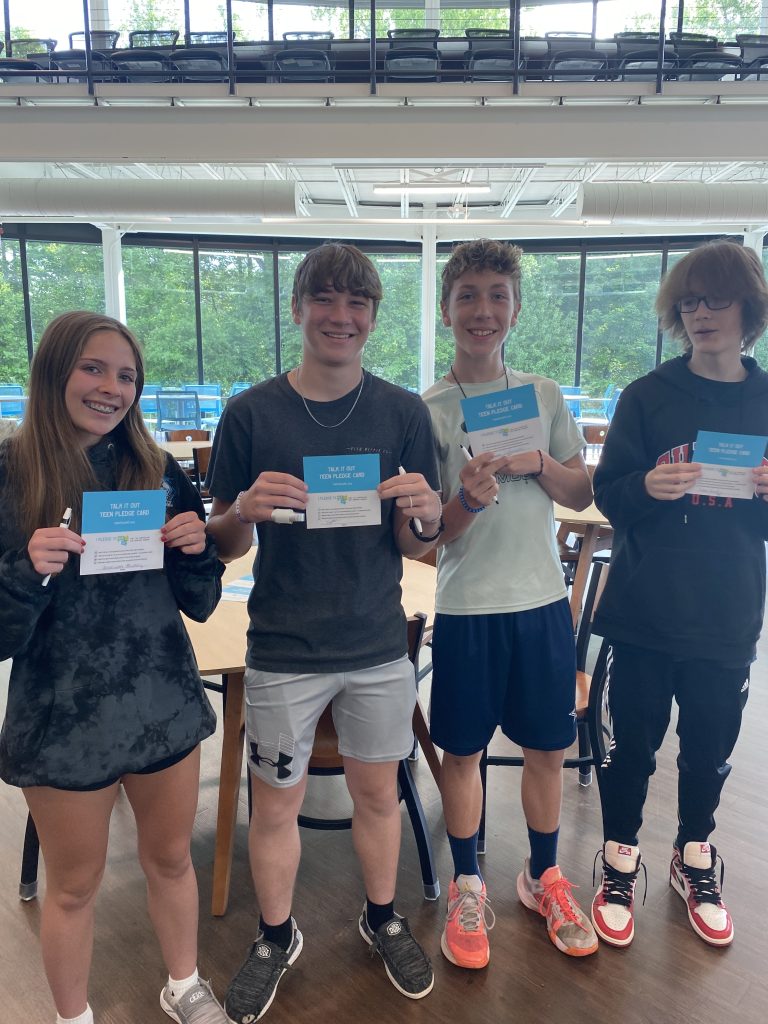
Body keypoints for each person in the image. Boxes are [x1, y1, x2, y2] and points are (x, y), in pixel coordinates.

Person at [205, 243, 440, 1022]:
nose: (341, 316)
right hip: (283, 648)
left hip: (377, 644)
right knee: (275, 804)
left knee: (378, 796)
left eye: (357, 302)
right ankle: (276, 935)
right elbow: (223, 544)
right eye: (326, 299)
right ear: (298, 307)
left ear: (373, 316)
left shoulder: (403, 413)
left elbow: (414, 543)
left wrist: (425, 516)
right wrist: (242, 511)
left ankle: (383, 918)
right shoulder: (251, 412)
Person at [0, 311, 227, 1024]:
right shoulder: (9, 474)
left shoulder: (155, 471)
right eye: (93, 368)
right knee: (73, 887)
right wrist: (24, 569)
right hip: (62, 720)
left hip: (162, 702)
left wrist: (197, 549)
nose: (111, 388)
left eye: (126, 376)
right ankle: (73, 1017)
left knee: (172, 860)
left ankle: (184, 985)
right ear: (54, 371)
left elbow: (201, 603)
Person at [422, 238, 598, 970]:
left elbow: (580, 492)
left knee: (547, 750)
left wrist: (539, 463)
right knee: (461, 752)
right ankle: (468, 884)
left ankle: (542, 876)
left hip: (541, 604)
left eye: (498, 295)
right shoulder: (428, 410)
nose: (483, 310)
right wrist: (465, 499)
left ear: (516, 310)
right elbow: (426, 535)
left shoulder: (544, 395)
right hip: (467, 607)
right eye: (467, 295)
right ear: (445, 310)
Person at [590, 239, 768, 949]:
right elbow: (609, 497)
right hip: (644, 608)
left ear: (749, 308)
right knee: (631, 745)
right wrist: (644, 486)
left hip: (727, 611)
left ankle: (694, 853)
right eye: (690, 302)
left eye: (716, 299)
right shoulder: (647, 396)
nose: (702, 314)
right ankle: (618, 857)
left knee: (709, 748)